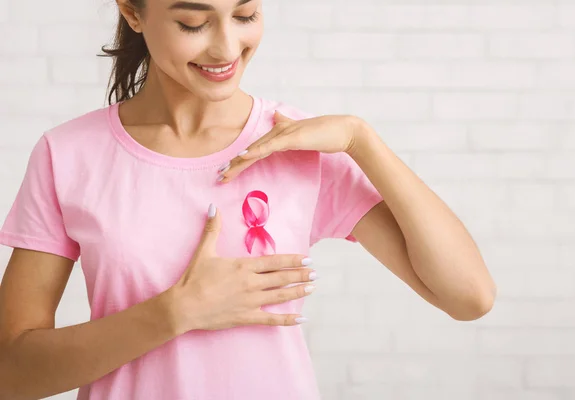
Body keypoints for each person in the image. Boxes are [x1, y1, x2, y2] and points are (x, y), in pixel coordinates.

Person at [0, 0, 496, 399]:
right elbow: (13, 374)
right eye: (193, 22)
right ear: (133, 12)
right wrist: (175, 313)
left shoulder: (295, 144)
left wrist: (361, 139)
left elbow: (469, 296)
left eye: (245, 15)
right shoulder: (67, 155)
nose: (226, 47)